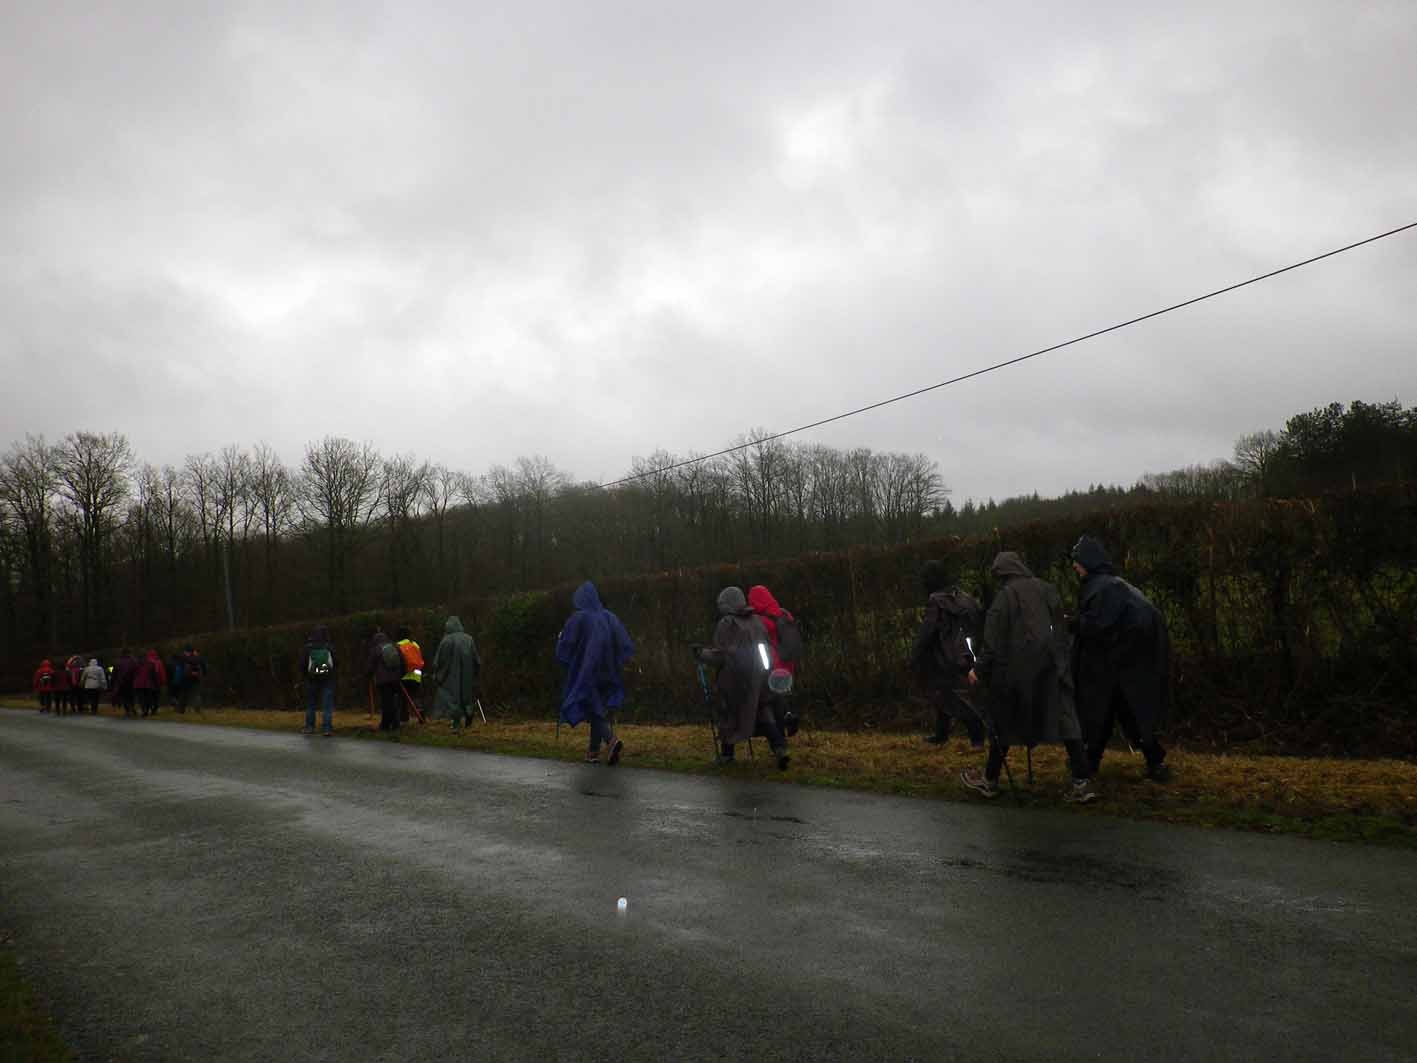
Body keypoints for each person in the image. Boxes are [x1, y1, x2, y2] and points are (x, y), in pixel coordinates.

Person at [960, 552, 1096, 803]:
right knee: (1067, 722)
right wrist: (1062, 664)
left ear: (1002, 574)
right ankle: (1082, 783)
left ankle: (989, 781)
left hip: (1016, 674)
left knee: (1003, 724)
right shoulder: (1047, 588)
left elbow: (991, 643)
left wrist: (977, 670)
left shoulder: (1003, 599)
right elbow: (1062, 628)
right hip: (1054, 668)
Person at [1070, 535, 1172, 782]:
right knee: (1124, 714)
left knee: (1104, 714)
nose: (1074, 566)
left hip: (1116, 667)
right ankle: (1153, 763)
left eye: (1077, 561)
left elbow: (1097, 627)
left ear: (1088, 562)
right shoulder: (1115, 585)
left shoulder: (1104, 588)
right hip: (1125, 667)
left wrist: (1072, 624)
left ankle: (1091, 764)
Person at [695, 586, 790, 771]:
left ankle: (727, 754)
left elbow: (721, 655)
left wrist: (701, 654)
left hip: (735, 680)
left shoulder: (727, 623)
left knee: (727, 714)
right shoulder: (756, 621)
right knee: (763, 712)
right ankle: (780, 748)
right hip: (760, 677)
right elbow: (766, 648)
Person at [556, 581, 635, 765]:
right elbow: (623, 640)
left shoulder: (580, 617)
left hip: (588, 670)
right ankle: (593, 752)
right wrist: (625, 660)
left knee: (591, 709)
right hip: (608, 671)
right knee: (597, 708)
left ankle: (611, 740)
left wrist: (560, 641)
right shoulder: (609, 617)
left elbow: (567, 641)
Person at [909, 560, 985, 748]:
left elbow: (927, 632)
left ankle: (976, 736)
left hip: (945, 658)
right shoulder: (963, 597)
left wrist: (914, 656)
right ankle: (942, 734)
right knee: (947, 695)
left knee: (947, 696)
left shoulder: (935, 601)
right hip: (968, 654)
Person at [747, 585, 802, 737]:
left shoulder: (761, 620)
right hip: (789, 664)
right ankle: (789, 716)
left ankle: (781, 732)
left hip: (774, 667)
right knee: (784, 695)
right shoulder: (785, 613)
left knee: (774, 702)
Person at [430, 616, 482, 732]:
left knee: (451, 698)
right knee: (466, 696)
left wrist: (437, 674)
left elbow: (440, 660)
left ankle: (456, 723)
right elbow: (476, 659)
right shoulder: (469, 639)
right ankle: (469, 713)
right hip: (467, 675)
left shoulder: (446, 640)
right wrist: (476, 673)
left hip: (450, 676)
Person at [366, 626, 404, 733]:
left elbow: (371, 665)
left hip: (383, 680)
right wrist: (400, 675)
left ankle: (385, 725)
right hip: (395, 678)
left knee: (386, 702)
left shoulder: (376, 649)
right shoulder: (394, 646)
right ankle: (395, 723)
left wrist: (368, 675)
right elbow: (402, 661)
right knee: (393, 701)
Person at [300, 625, 337, 736]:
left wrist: (305, 676)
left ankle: (310, 727)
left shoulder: (308, 647)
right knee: (327, 706)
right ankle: (327, 729)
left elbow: (302, 664)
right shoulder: (329, 646)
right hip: (327, 679)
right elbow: (337, 662)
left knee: (311, 704)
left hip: (311, 679)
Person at [395, 625, 424, 724]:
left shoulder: (397, 645)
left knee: (402, 699)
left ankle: (404, 718)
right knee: (416, 697)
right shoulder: (415, 645)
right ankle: (421, 714)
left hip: (404, 675)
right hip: (416, 675)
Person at [133, 649, 167, 717]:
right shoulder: (156, 662)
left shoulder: (137, 663)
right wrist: (161, 682)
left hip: (139, 684)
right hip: (151, 683)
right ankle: (153, 709)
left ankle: (145, 710)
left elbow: (134, 674)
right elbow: (160, 673)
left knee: (142, 698)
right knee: (153, 698)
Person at [173, 645, 207, 713]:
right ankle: (197, 709)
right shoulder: (197, 658)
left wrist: (177, 680)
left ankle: (181, 709)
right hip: (196, 679)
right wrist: (202, 675)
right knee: (196, 694)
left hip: (186, 679)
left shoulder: (183, 658)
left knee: (183, 694)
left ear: (186, 651)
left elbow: (179, 670)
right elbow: (204, 667)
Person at [111, 649, 139, 717]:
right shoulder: (134, 661)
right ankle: (133, 708)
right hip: (132, 681)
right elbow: (137, 671)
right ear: (129, 653)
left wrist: (113, 682)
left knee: (124, 697)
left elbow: (114, 673)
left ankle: (127, 710)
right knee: (131, 696)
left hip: (121, 682)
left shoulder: (118, 661)